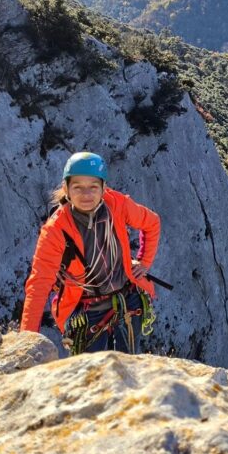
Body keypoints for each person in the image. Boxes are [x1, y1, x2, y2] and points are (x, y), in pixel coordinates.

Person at [20, 152, 161, 355]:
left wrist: (144, 262)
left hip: (127, 301)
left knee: (129, 368)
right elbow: (39, 284)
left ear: (104, 188)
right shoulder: (56, 230)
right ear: (66, 189)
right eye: (78, 187)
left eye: (93, 187)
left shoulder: (118, 205)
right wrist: (27, 342)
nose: (86, 194)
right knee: (92, 375)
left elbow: (152, 222)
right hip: (87, 312)